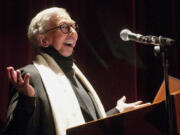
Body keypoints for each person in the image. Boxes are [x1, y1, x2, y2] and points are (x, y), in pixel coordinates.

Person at [1, 7, 149, 135]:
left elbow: (85, 126)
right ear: (43, 40)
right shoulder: (30, 77)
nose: (73, 32)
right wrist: (26, 99)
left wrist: (116, 112)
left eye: (73, 27)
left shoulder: (76, 75)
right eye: (64, 27)